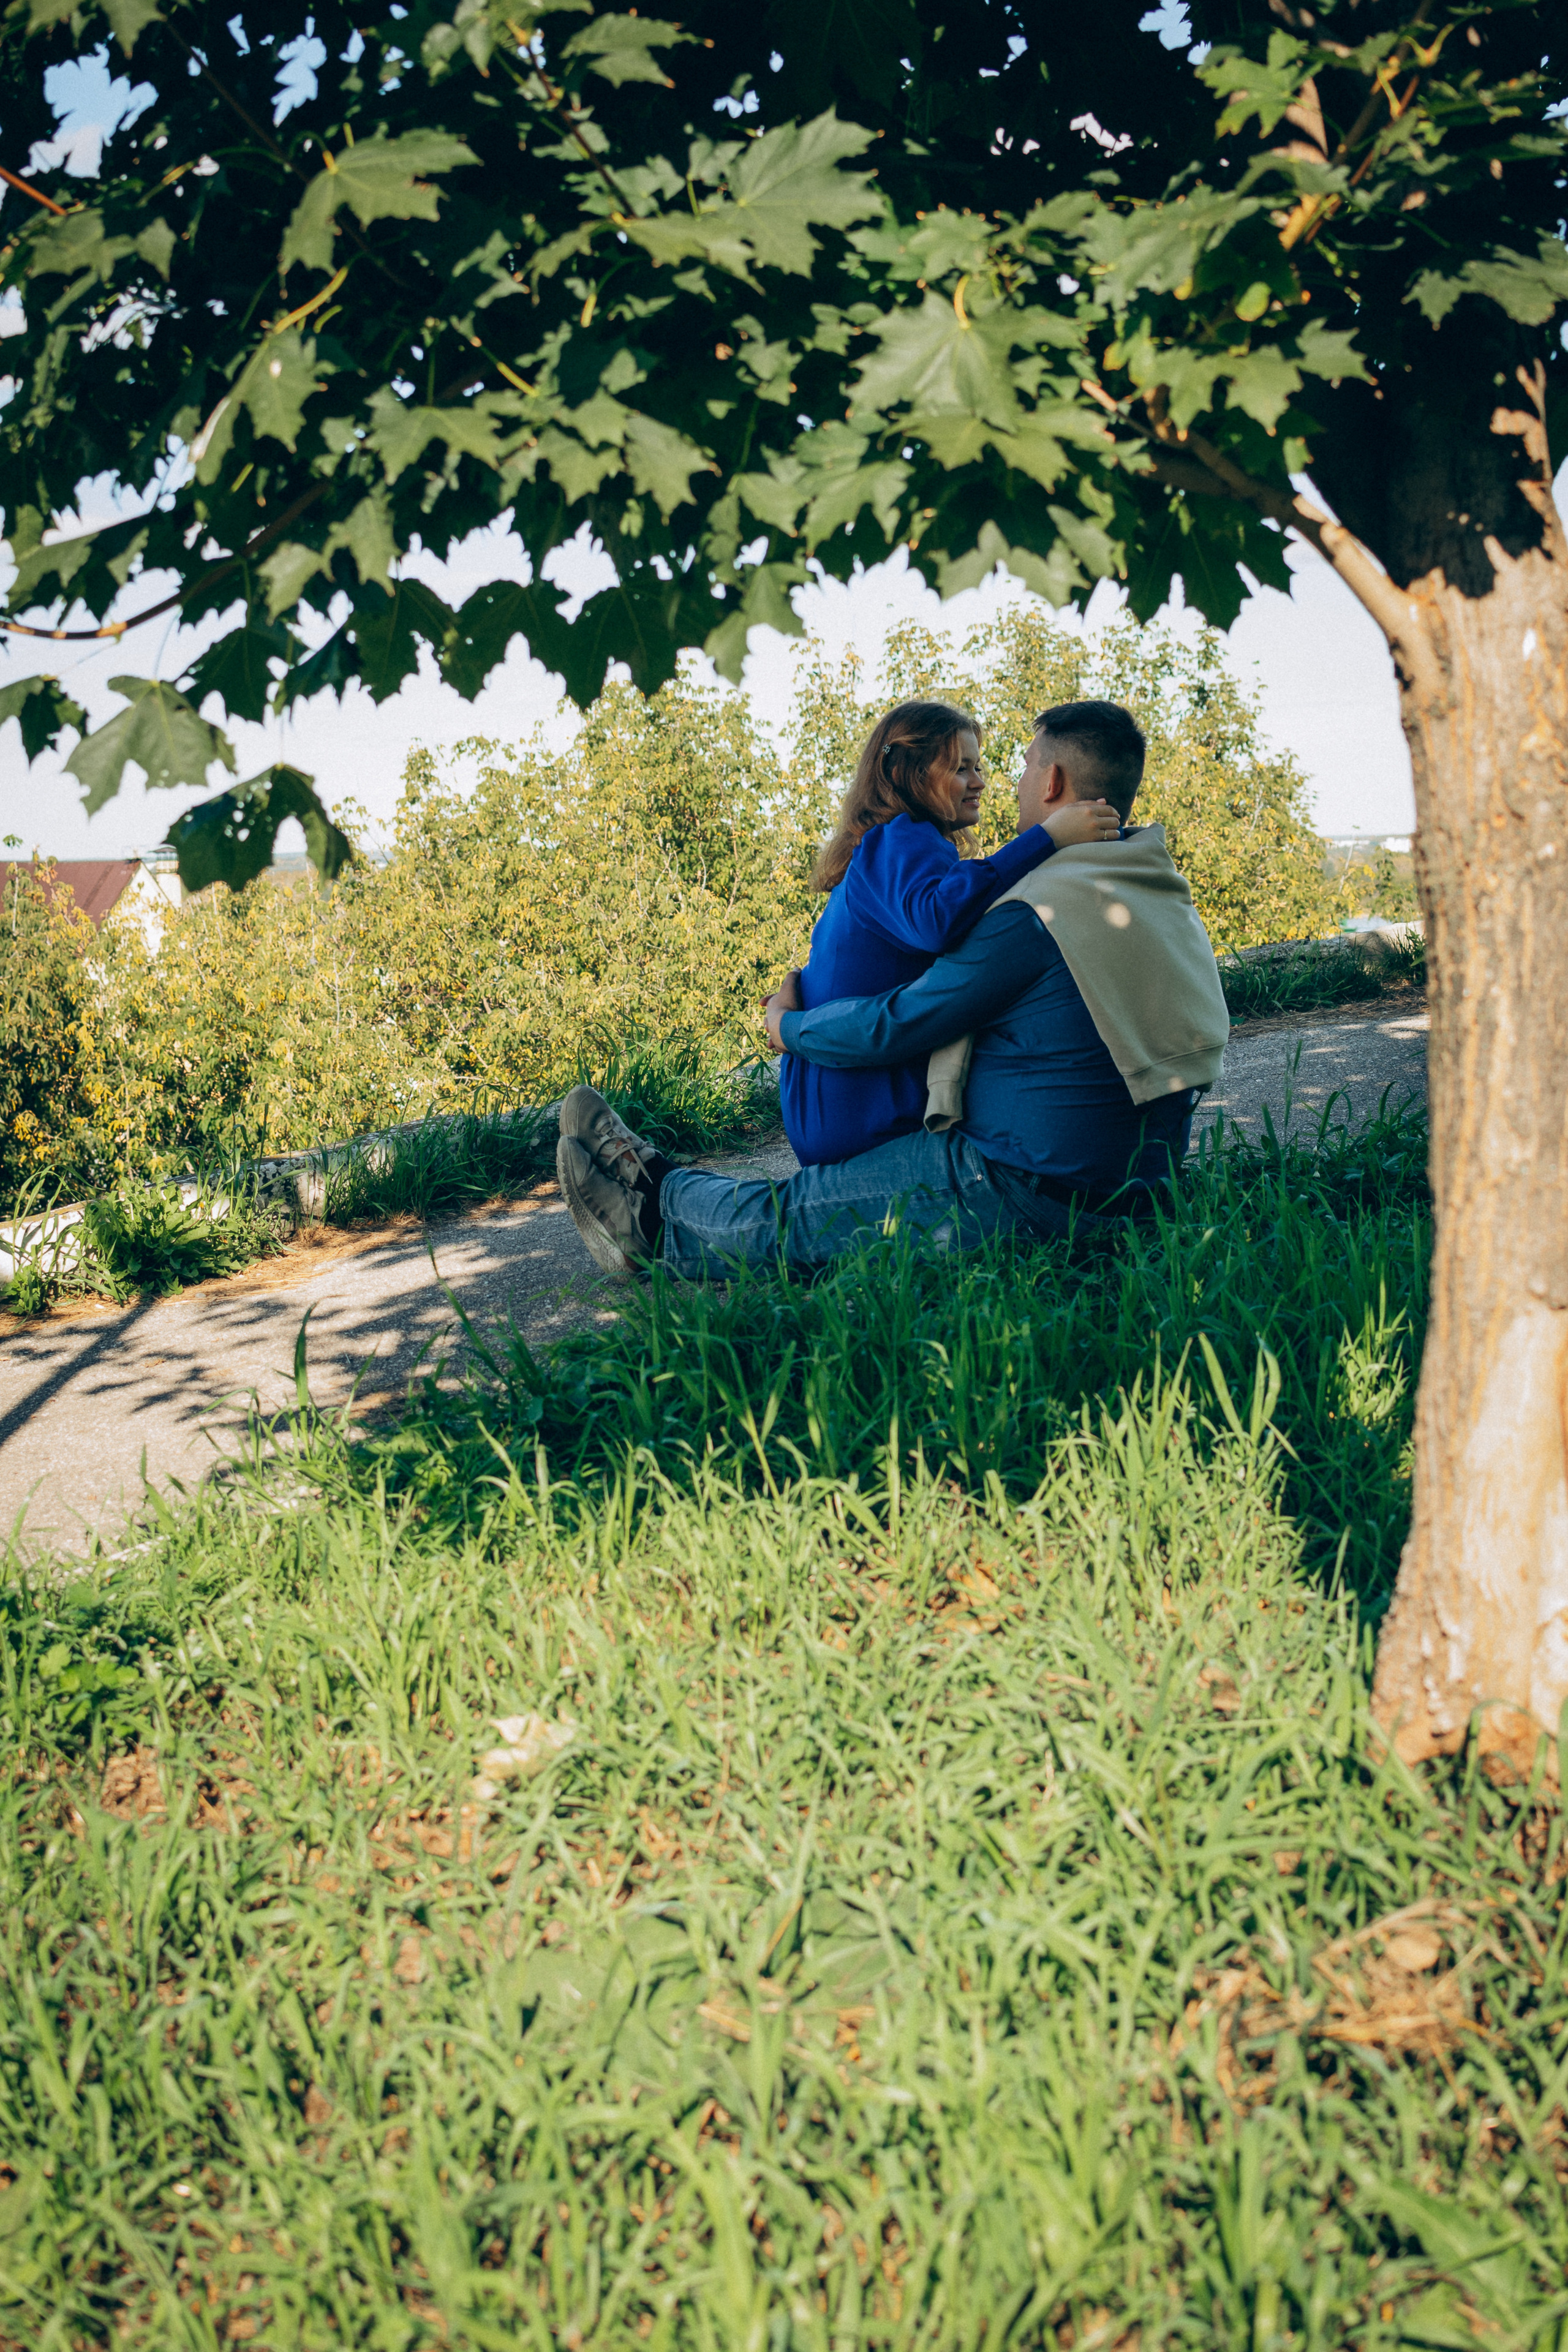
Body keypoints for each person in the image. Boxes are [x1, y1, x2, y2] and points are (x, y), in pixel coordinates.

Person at [554, 701, 1231, 1280]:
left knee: (800, 1211)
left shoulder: (1039, 911)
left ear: (1052, 781)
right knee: (834, 1195)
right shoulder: (1149, 884)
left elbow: (897, 1023)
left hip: (1026, 1190)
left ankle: (652, 1211)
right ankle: (653, 1181)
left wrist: (785, 1028)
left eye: (1024, 765)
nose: (1003, 781)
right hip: (1143, 1189)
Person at [782, 698, 1120, 1165]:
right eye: (962, 769)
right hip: (860, 1112)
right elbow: (935, 921)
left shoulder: (894, 849)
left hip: (838, 1105)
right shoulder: (901, 837)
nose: (979, 782)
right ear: (908, 774)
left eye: (977, 767)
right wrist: (1046, 839)